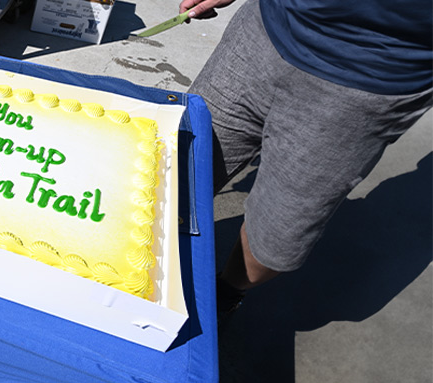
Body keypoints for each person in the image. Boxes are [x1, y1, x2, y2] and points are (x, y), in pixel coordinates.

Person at [179, 0, 432, 314]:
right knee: (170, 173)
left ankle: (225, 293)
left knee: (273, 243)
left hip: (372, 79)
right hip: (266, 28)